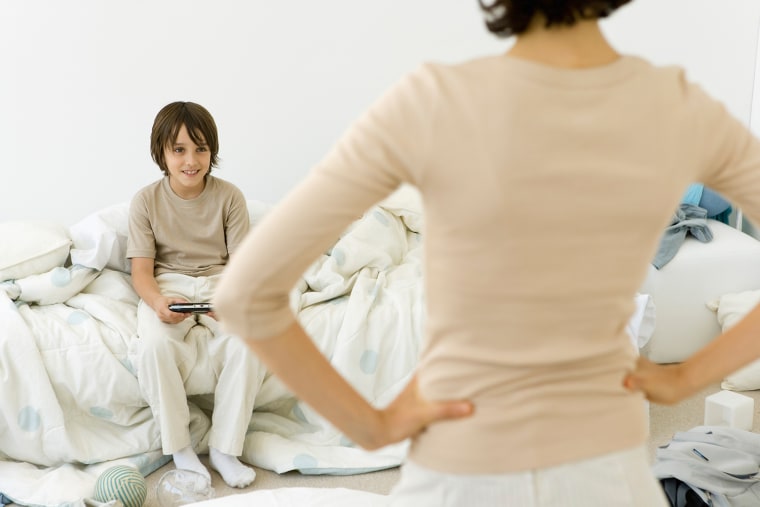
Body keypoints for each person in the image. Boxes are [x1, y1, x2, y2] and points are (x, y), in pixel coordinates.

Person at [214, 1, 760, 505]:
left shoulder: (430, 101)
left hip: (462, 468)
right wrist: (684, 379)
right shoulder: (674, 106)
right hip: (605, 468)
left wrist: (371, 427)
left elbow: (245, 294)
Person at [127, 101, 265, 489]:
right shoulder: (145, 201)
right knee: (154, 347)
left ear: (212, 152)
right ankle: (180, 448)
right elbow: (141, 271)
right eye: (179, 149)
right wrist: (157, 302)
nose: (191, 160)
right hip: (168, 283)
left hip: (222, 281)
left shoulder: (229, 197)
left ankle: (225, 449)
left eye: (201, 149)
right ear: (162, 153)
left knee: (250, 342)